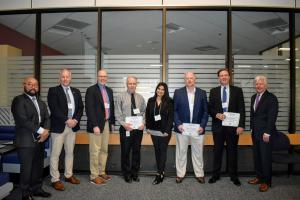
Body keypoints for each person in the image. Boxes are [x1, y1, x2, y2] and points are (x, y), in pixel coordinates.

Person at [11, 77, 51, 200]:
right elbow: (22, 120)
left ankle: (37, 188)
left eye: (35, 85)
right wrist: (42, 131)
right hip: (26, 141)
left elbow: (47, 118)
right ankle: (25, 193)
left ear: (38, 87)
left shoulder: (41, 103)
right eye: (30, 84)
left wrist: (46, 131)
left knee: (37, 168)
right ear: (24, 85)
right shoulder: (18, 100)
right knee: (27, 168)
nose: (33, 87)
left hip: (40, 140)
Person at [47, 68, 84, 190]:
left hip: (72, 127)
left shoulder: (76, 91)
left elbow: (80, 108)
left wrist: (75, 120)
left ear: (70, 77)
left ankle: (68, 175)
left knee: (69, 153)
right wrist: (66, 120)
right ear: (60, 77)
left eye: (67, 76)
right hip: (59, 127)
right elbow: (54, 108)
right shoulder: (53, 91)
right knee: (55, 154)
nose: (65, 78)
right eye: (63, 76)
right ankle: (55, 179)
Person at [208, 68, 245, 186]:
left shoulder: (237, 91)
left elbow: (241, 109)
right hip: (218, 127)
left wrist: (241, 125)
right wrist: (216, 114)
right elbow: (210, 108)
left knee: (232, 152)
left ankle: (234, 176)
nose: (223, 77)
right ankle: (215, 175)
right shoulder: (213, 91)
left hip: (233, 128)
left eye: (225, 75)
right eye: (221, 75)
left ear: (229, 77)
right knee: (217, 152)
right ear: (218, 78)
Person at [173, 72, 208, 184]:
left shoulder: (202, 93)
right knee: (181, 152)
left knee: (198, 152)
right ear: (184, 80)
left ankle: (199, 174)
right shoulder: (178, 92)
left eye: (191, 78)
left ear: (195, 79)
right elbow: (174, 110)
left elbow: (206, 111)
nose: (189, 80)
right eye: (187, 78)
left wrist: (202, 126)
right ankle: (180, 174)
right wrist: (178, 124)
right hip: (182, 129)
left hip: (197, 129)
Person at [248, 75, 278, 192]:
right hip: (255, 132)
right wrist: (251, 128)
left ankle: (266, 182)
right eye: (256, 84)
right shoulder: (253, 97)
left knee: (265, 158)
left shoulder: (271, 98)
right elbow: (253, 115)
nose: (258, 86)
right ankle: (259, 177)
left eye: (260, 84)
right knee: (257, 157)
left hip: (265, 134)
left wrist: (268, 132)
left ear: (265, 85)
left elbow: (272, 117)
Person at [85, 69, 115, 185]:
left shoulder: (109, 90)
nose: (103, 78)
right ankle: (94, 175)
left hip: (106, 124)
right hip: (96, 125)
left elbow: (110, 108)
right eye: (100, 76)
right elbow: (89, 109)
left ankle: (102, 171)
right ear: (97, 77)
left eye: (104, 76)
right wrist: (95, 125)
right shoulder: (91, 90)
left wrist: (111, 122)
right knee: (95, 150)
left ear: (107, 78)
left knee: (104, 150)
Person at [115, 76, 146, 183]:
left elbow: (144, 112)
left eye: (134, 83)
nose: (132, 85)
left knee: (137, 151)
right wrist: (124, 124)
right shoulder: (120, 97)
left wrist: (143, 123)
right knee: (126, 152)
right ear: (126, 84)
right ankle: (126, 174)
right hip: (125, 129)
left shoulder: (140, 98)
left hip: (138, 130)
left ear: (136, 84)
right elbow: (117, 114)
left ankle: (134, 173)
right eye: (130, 83)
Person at [146, 82, 173, 185]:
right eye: (158, 89)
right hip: (153, 131)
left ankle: (160, 173)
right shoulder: (151, 100)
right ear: (156, 89)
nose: (160, 91)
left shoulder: (169, 101)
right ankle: (160, 170)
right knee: (157, 151)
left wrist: (167, 130)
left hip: (164, 132)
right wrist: (148, 127)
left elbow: (171, 117)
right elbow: (148, 115)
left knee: (162, 152)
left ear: (165, 91)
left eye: (162, 89)